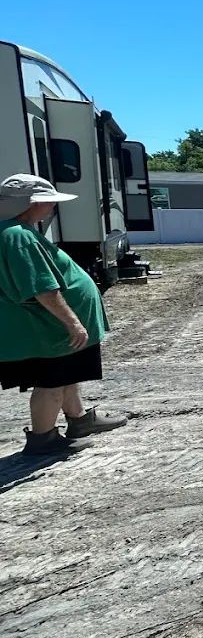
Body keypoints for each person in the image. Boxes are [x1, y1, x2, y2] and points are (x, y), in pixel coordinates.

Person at [0, 173, 128, 456]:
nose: (53, 207)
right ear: (31, 203)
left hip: (49, 327)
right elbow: (41, 288)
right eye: (48, 201)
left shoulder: (15, 230)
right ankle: (42, 439)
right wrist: (73, 322)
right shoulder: (17, 235)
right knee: (51, 382)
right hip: (45, 327)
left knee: (67, 373)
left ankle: (80, 420)